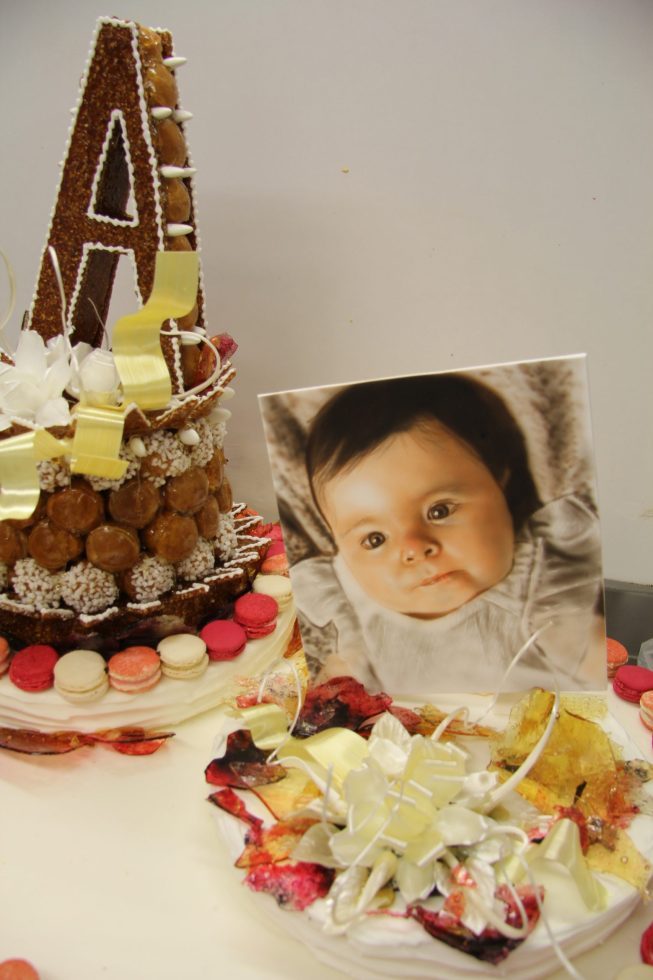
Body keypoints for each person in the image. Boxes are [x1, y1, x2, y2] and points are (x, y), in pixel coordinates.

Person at [290, 373, 605, 693]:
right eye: (375, 539)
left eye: (438, 511)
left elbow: (595, 666)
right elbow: (339, 683)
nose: (413, 548)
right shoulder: (350, 601)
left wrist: (584, 644)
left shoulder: (546, 581)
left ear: (500, 479)